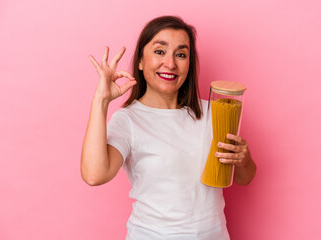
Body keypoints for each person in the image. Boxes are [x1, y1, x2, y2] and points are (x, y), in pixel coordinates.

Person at [81, 16, 257, 240]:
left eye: (181, 54)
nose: (171, 63)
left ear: (189, 65)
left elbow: (245, 177)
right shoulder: (128, 120)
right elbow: (94, 175)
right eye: (159, 51)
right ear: (141, 61)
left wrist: (243, 159)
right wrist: (101, 101)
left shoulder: (213, 112)